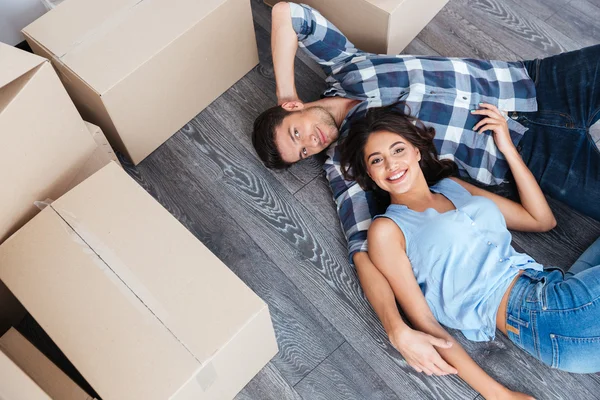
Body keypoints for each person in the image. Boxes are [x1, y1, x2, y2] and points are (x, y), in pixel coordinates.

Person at [252, 2, 600, 375]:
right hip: (535, 156)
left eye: (296, 132)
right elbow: (363, 251)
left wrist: (284, 90)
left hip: (531, 82)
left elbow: (289, 13)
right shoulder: (346, 165)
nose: (312, 142)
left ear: (293, 108)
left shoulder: (348, 64)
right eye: (303, 151)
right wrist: (396, 329)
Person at [339, 102, 600, 398]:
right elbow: (425, 322)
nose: (391, 165)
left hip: (559, 292)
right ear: (371, 174)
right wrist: (498, 394)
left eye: (398, 150)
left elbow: (541, 219)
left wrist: (507, 147)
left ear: (416, 150)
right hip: (542, 317)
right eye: (376, 160)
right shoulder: (387, 230)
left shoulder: (452, 187)